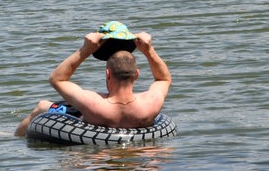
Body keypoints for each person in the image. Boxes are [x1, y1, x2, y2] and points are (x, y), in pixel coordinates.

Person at [14, 31, 171, 137]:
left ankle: (14, 138)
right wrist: (149, 50)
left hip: (94, 120)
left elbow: (57, 79)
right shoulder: (151, 102)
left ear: (107, 73)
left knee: (42, 106)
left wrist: (86, 50)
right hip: (137, 124)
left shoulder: (92, 102)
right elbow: (164, 79)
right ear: (136, 74)